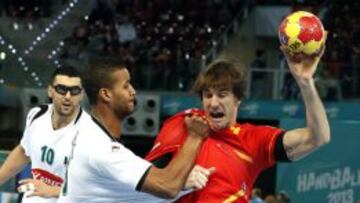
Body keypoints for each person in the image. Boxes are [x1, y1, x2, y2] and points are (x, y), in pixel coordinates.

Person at [145, 45, 331, 202]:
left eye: (222, 94)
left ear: (238, 99)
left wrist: (305, 82)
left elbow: (318, 138)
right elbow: (143, 180)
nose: (213, 103)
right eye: (207, 95)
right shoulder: (184, 123)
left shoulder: (254, 139)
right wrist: (178, 180)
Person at [57, 57, 213, 203]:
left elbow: (135, 197)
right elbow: (167, 186)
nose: (133, 91)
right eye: (126, 86)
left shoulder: (86, 135)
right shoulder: (100, 148)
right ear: (106, 94)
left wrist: (183, 184)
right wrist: (194, 137)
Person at [0, 66, 85, 203]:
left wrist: (53, 191)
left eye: (74, 91)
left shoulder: (91, 133)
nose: (68, 96)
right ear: (50, 91)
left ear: (81, 94)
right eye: (61, 90)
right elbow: (24, 151)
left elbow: (99, 187)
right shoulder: (37, 114)